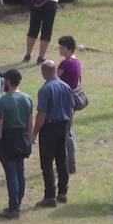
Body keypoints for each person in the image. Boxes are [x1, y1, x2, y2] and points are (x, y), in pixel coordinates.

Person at [31, 60, 74, 208]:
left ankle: (49, 195)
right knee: (61, 160)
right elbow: (70, 110)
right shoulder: (66, 87)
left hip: (49, 128)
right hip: (62, 126)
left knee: (47, 163)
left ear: (44, 72)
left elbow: (41, 114)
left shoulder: (45, 90)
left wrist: (34, 132)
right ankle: (62, 192)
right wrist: (69, 127)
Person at [0, 70, 33, 219]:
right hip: (23, 136)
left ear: (9, 82)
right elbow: (30, 122)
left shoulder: (3, 101)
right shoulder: (27, 98)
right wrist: (29, 138)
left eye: (5, 80)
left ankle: (13, 207)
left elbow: (0, 124)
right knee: (20, 170)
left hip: (8, 138)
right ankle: (18, 202)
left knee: (11, 173)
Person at [57, 35, 82, 174]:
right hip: (72, 100)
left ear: (69, 49)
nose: (60, 49)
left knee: (66, 132)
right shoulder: (77, 62)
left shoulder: (64, 64)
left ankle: (70, 163)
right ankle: (69, 160)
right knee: (70, 129)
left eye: (62, 47)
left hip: (64, 100)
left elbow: (54, 78)